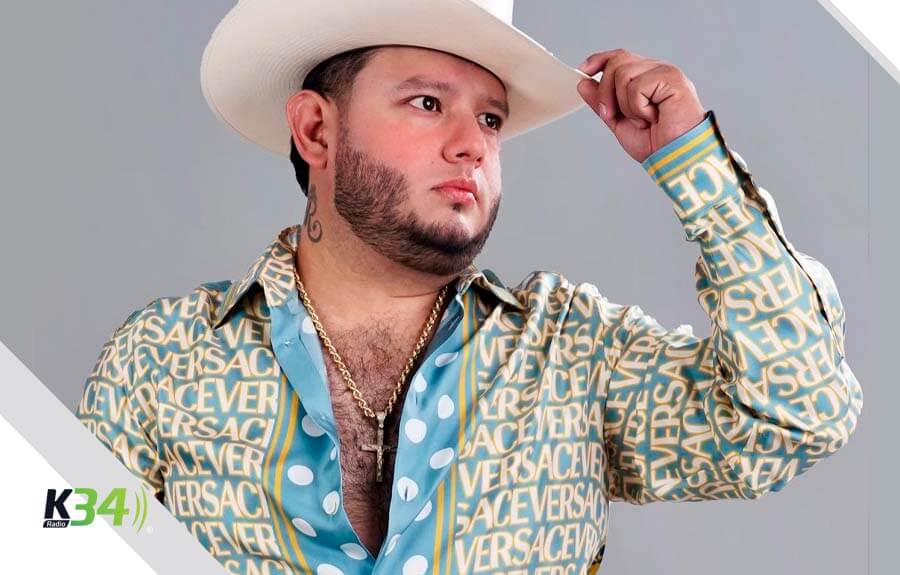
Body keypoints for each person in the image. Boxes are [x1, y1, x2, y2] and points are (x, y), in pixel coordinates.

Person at [76, 1, 864, 574]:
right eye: (427, 103)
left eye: (490, 119)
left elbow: (796, 414)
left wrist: (693, 164)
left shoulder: (571, 357)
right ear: (317, 129)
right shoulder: (163, 359)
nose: (473, 146)